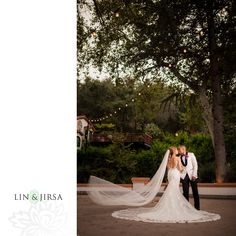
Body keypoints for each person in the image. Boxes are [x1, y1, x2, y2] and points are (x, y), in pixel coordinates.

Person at [87, 147, 220, 223]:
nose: (177, 150)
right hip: (176, 176)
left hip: (171, 175)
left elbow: (169, 169)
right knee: (175, 193)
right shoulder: (177, 158)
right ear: (175, 152)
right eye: (176, 149)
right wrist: (184, 170)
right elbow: (180, 169)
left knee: (171, 193)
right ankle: (179, 209)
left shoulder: (169, 159)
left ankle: (169, 207)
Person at [178, 145, 200, 210]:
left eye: (179, 150)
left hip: (192, 175)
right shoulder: (179, 157)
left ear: (183, 149)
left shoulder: (191, 154)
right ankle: (186, 209)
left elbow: (195, 165)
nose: (178, 151)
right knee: (185, 193)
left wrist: (194, 174)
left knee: (195, 192)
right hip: (184, 176)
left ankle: (197, 208)